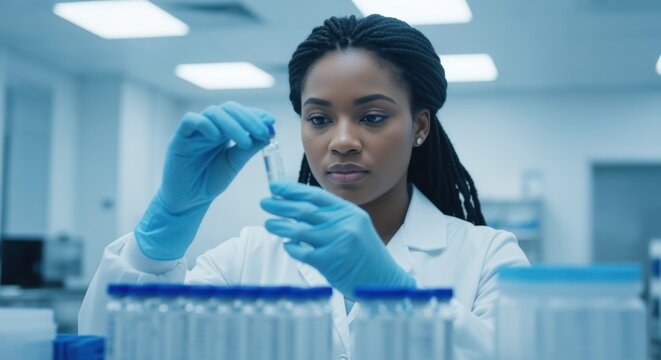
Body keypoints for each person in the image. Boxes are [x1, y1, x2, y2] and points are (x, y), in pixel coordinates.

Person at [79, 14, 529, 359]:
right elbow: (113, 346)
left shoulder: (488, 257)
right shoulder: (247, 258)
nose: (343, 141)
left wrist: (394, 294)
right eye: (319, 119)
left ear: (420, 126)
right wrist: (165, 224)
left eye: (372, 117)